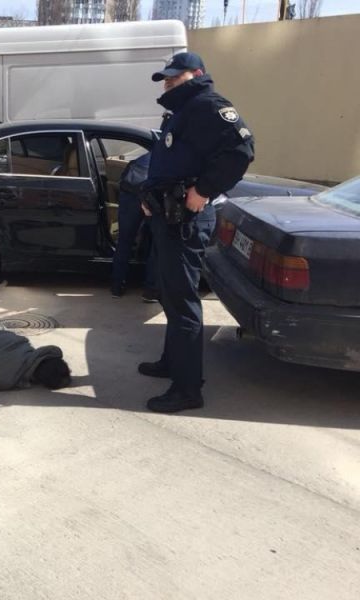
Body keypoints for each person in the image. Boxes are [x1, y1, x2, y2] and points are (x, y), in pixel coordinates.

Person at [139, 52, 254, 413]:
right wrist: (150, 197)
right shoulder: (183, 110)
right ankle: (172, 362)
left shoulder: (207, 105)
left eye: (176, 76)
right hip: (167, 215)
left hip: (185, 220)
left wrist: (203, 190)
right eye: (166, 77)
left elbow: (241, 151)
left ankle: (187, 390)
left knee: (182, 302)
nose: (169, 82)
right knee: (169, 295)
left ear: (198, 73)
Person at [110, 151, 158, 302]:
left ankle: (117, 286)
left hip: (130, 195)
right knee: (157, 243)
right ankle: (150, 290)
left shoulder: (143, 158)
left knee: (124, 240)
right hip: (152, 197)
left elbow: (123, 181)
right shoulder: (173, 155)